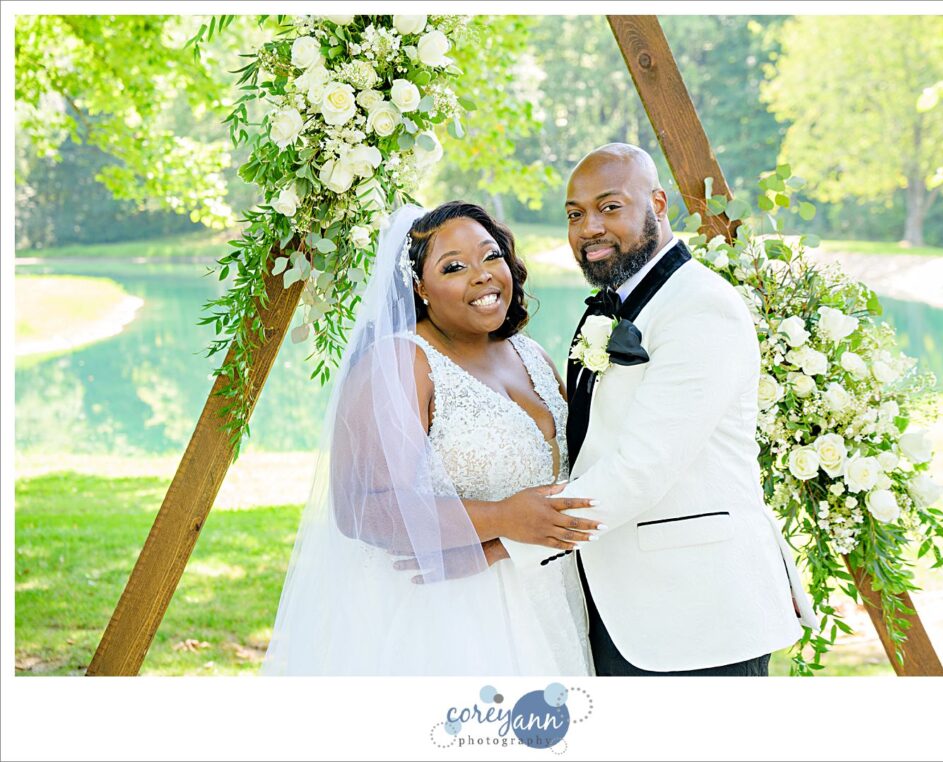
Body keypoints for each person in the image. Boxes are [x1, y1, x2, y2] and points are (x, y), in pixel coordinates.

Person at [499, 144, 819, 676]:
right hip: (620, 602)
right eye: (575, 214)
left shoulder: (700, 307)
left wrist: (500, 542)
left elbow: (639, 470)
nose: (588, 228)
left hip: (699, 613)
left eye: (609, 206)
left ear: (659, 203)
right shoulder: (614, 305)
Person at [262, 202, 598, 676]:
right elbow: (363, 508)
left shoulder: (531, 354)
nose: (481, 275)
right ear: (418, 287)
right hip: (450, 614)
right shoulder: (403, 364)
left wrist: (506, 543)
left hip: (546, 597)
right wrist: (503, 518)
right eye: (454, 267)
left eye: (491, 256)